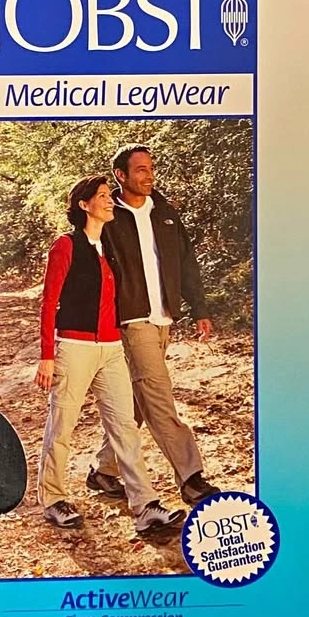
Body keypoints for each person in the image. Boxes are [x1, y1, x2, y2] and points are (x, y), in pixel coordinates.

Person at [34, 174, 185, 533]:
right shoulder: (66, 246)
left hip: (112, 348)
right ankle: (53, 499)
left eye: (108, 195)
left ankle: (145, 506)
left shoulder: (110, 247)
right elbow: (49, 302)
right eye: (102, 196)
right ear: (84, 205)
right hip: (75, 347)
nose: (109, 200)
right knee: (62, 426)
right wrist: (46, 355)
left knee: (125, 426)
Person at [98, 145, 220, 507]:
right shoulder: (107, 216)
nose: (148, 175)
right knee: (158, 396)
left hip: (164, 316)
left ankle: (103, 469)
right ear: (121, 175)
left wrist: (199, 308)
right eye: (140, 169)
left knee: (140, 399)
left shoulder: (165, 213)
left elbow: (186, 262)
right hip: (132, 319)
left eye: (151, 168)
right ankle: (190, 477)